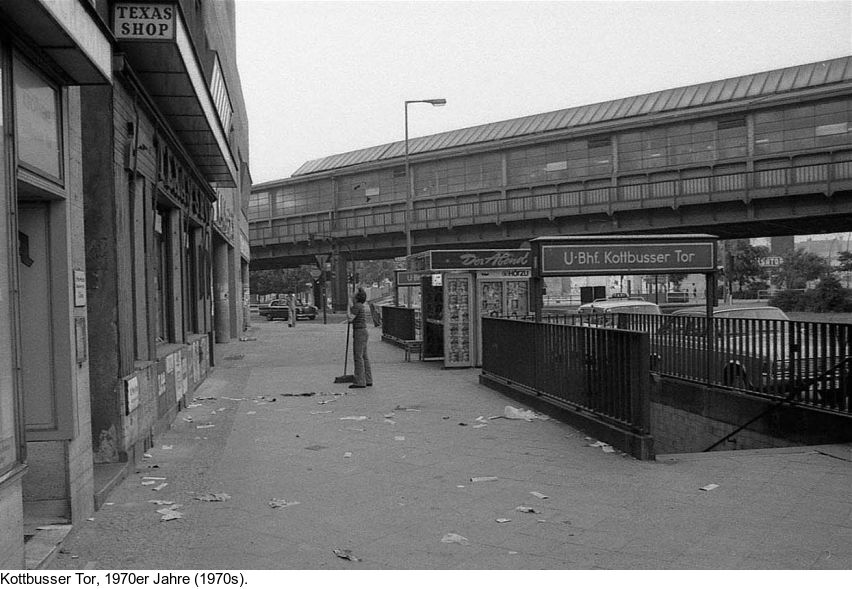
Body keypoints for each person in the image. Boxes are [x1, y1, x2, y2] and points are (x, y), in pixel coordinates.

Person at [348, 288, 372, 389]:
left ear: (357, 297)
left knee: (358, 356)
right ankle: (368, 379)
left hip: (359, 332)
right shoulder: (360, 306)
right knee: (364, 356)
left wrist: (349, 307)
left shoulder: (357, 306)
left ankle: (360, 381)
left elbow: (350, 318)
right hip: (363, 331)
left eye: (354, 294)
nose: (353, 295)